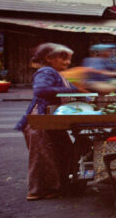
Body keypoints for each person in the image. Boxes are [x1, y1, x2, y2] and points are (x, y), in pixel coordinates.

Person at [15, 43, 79, 200]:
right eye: (63, 58)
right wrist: (73, 90)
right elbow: (41, 90)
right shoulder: (46, 71)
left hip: (51, 120)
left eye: (69, 59)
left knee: (61, 151)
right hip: (40, 120)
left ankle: (58, 185)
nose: (67, 63)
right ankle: (37, 191)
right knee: (42, 156)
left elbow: (75, 90)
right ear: (49, 58)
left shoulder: (57, 73)